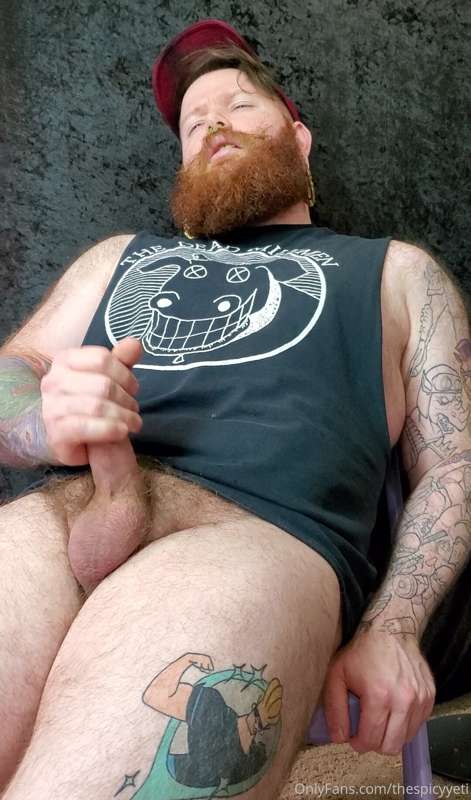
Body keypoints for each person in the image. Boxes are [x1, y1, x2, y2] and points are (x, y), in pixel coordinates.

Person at [0, 16, 469, 799]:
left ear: (299, 138)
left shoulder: (396, 272)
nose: (214, 124)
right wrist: (37, 420)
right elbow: (15, 369)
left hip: (250, 539)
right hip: (58, 518)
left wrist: (391, 627)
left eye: (239, 106)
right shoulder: (119, 259)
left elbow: (454, 465)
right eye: (194, 124)